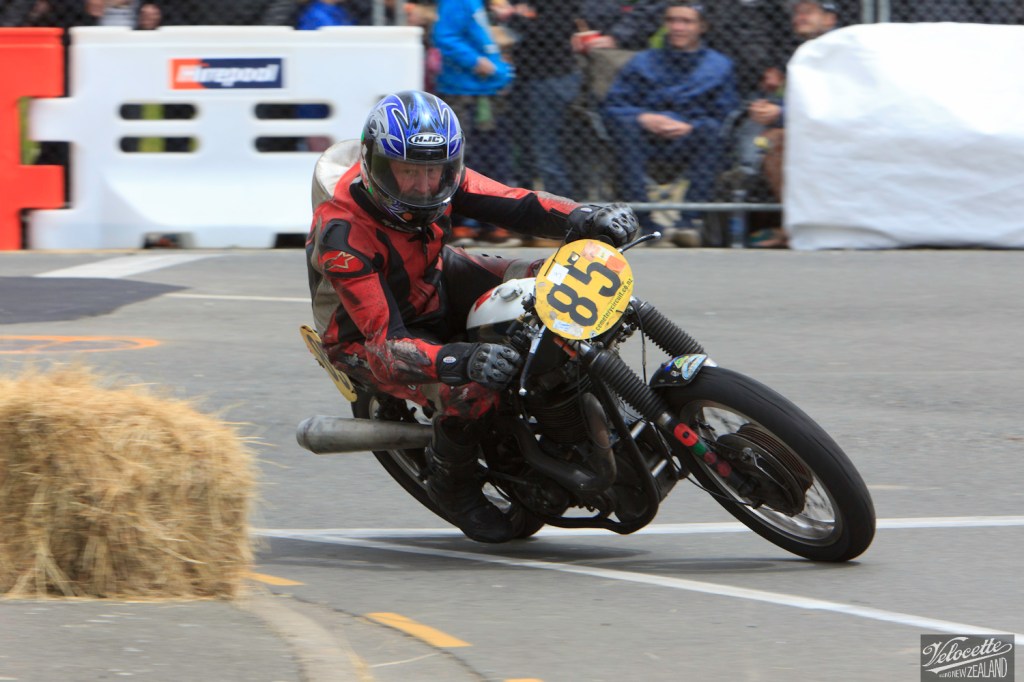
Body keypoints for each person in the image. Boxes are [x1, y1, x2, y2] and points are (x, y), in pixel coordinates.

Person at [306, 90, 639, 543]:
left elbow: (517, 203)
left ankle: (592, 396)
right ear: (377, 164)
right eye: (408, 173)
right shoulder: (342, 235)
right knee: (474, 388)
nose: (424, 187)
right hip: (366, 338)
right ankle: (452, 479)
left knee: (557, 277)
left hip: (435, 279)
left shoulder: (443, 176)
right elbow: (385, 347)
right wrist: (462, 361)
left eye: (435, 172)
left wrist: (586, 215)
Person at [601, 0, 739, 244]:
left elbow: (724, 113)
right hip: (644, 137)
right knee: (624, 127)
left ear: (702, 27)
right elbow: (614, 104)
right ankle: (644, 221)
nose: (677, 27)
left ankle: (689, 223)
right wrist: (643, 117)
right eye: (672, 20)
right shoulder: (642, 61)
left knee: (713, 131)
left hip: (690, 138)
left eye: (686, 21)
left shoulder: (719, 65)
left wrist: (693, 126)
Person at [746, 0, 837, 245]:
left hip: (840, 128)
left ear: (829, 19)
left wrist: (780, 113)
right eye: (796, 12)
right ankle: (794, 224)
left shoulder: (839, 50)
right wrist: (768, 107)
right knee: (769, 141)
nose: (799, 17)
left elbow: (829, 102)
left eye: (807, 12)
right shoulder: (800, 52)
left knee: (777, 138)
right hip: (807, 128)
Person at [432, 0, 518, 246]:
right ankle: (463, 224)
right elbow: (445, 37)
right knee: (468, 160)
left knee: (493, 161)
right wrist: (477, 63)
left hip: (485, 92)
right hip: (466, 94)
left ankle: (491, 225)